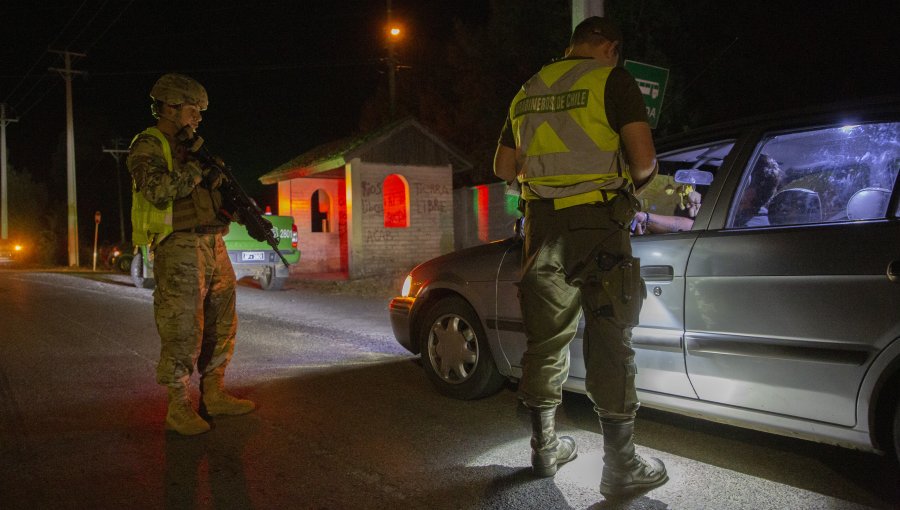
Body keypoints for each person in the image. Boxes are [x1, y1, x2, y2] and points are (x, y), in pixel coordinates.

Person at [494, 17, 667, 497]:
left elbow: (503, 167)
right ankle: (621, 466)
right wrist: (636, 185)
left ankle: (545, 449)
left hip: (541, 228)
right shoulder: (612, 79)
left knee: (544, 340)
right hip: (598, 226)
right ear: (609, 47)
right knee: (610, 336)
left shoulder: (527, 89)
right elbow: (644, 158)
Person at [128, 73, 255, 436]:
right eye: (192, 109)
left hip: (213, 242)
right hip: (178, 243)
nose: (198, 117)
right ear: (169, 107)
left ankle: (214, 393)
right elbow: (156, 189)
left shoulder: (196, 149)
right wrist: (197, 172)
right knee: (183, 327)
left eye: (200, 111)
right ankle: (178, 406)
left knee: (222, 322)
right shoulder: (149, 144)